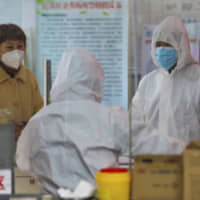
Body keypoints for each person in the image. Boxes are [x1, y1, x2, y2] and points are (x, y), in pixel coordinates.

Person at [16, 47, 129, 195]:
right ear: (95, 80)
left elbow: (22, 167)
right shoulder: (111, 117)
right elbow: (153, 148)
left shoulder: (38, 121)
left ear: (61, 77)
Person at [131, 16, 200, 155]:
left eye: (168, 45)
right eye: (159, 45)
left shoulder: (196, 79)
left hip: (190, 161)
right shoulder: (148, 82)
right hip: (154, 162)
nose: (162, 50)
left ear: (181, 45)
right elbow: (135, 123)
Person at [0, 24, 43, 140]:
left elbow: (39, 112)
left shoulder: (29, 77)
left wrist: (27, 126)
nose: (16, 52)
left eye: (20, 47)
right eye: (9, 47)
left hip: (25, 146)